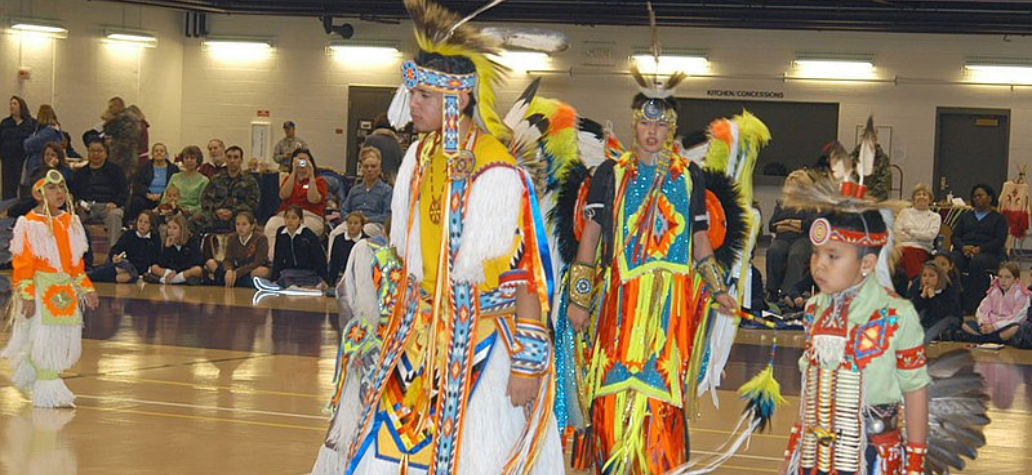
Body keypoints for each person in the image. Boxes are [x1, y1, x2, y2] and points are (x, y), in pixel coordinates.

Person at [309, 2, 562, 473]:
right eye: (413, 93)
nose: (413, 104)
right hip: (419, 339)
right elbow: (410, 258)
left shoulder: (495, 171)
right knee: (388, 453)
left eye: (424, 94)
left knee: (477, 457)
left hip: (483, 343)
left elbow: (528, 271)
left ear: (458, 98)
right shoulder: (419, 158)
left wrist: (528, 363)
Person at [565, 66, 737, 474]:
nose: (652, 132)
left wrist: (716, 289)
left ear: (672, 128)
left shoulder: (689, 177)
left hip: (668, 314)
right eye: (645, 122)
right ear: (634, 124)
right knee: (610, 392)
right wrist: (580, 300)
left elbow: (698, 243)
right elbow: (589, 239)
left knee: (660, 401)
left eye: (661, 125)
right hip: (619, 309)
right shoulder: (609, 174)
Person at [779, 177, 929, 475]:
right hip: (815, 454)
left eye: (833, 256)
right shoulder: (814, 309)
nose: (819, 265)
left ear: (867, 263)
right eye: (816, 253)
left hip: (871, 456)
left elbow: (915, 390)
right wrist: (794, 450)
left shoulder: (897, 314)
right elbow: (810, 390)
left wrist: (915, 461)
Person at [0, 169, 100, 408]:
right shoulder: (28, 224)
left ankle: (28, 373)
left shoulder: (70, 221)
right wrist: (26, 296)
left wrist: (87, 289)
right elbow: (23, 264)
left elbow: (76, 263)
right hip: (39, 288)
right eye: (52, 188)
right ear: (38, 193)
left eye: (62, 187)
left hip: (64, 291)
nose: (59, 193)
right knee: (45, 339)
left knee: (58, 338)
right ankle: (48, 391)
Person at [950, 183, 1008, 313]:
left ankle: (973, 305)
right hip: (965, 250)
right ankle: (955, 302)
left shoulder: (999, 218)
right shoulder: (965, 216)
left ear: (990, 197)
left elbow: (999, 241)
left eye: (980, 195)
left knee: (977, 263)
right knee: (952, 260)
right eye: (975, 196)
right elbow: (955, 237)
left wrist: (980, 249)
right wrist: (963, 247)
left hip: (990, 253)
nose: (977, 198)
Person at [263, 148, 327, 258]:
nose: (301, 164)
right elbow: (283, 195)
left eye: (304, 161)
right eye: (298, 160)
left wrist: (311, 176)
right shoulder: (288, 179)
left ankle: (299, 261)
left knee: (300, 229)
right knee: (271, 225)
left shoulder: (319, 181)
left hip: (309, 216)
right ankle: (273, 259)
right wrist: (293, 172)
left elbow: (313, 199)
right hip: (286, 215)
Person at [766, 169, 817, 301]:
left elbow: (809, 224)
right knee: (774, 251)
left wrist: (786, 222)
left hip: (803, 238)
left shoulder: (811, 204)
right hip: (783, 238)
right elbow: (772, 225)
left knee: (796, 255)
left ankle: (788, 293)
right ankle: (772, 291)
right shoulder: (781, 204)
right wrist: (796, 224)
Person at [70, 137, 128, 244]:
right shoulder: (81, 173)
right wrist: (77, 202)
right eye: (92, 151)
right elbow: (74, 192)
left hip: (108, 207)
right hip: (86, 207)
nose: (95, 154)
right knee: (72, 217)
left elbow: (124, 191)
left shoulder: (116, 170)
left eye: (99, 151)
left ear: (106, 153)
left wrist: (116, 203)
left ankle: (113, 252)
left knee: (115, 215)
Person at [190, 145, 260, 235]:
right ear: (225, 159)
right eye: (229, 157)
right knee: (196, 219)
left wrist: (233, 211)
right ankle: (195, 248)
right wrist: (216, 210)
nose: (232, 160)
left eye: (236, 157)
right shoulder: (216, 179)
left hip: (237, 216)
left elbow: (253, 204)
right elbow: (205, 199)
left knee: (244, 222)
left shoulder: (250, 181)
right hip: (216, 215)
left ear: (241, 160)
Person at [962, 261, 1029, 344]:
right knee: (965, 325)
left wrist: (995, 326)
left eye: (1008, 277)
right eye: (1000, 277)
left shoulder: (1022, 295)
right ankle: (992, 339)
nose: (1003, 281)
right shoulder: (994, 291)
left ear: (1016, 280)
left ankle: (983, 339)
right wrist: (983, 323)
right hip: (989, 325)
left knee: (1014, 329)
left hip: (1004, 326)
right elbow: (982, 309)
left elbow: (1017, 317)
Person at [89, 210, 162, 283]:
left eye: (146, 222)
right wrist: (115, 256)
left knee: (126, 277)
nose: (142, 224)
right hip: (128, 264)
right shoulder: (129, 235)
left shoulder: (154, 239)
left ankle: (90, 276)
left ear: (151, 226)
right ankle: (90, 276)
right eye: (140, 221)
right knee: (122, 270)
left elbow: (156, 257)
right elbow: (116, 249)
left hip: (141, 270)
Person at [203, 211, 270, 287]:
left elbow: (257, 262)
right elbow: (228, 259)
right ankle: (231, 280)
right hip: (236, 267)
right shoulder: (232, 238)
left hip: (250, 269)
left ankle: (233, 281)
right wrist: (229, 270)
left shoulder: (261, 239)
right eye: (237, 224)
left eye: (244, 224)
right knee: (210, 263)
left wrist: (237, 273)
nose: (240, 228)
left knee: (262, 271)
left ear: (252, 226)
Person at [270, 205, 327, 288]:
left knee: (312, 282)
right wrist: (273, 279)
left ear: (300, 220)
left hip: (308, 271)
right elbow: (278, 257)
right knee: (284, 279)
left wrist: (324, 278)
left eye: (294, 218)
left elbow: (319, 257)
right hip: (289, 271)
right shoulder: (281, 233)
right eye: (287, 217)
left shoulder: (308, 235)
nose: (290, 221)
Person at [895, 184, 941, 279]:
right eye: (918, 194)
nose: (921, 197)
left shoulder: (935, 217)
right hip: (901, 248)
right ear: (913, 198)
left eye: (924, 194)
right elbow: (897, 233)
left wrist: (911, 232)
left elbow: (930, 236)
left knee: (908, 255)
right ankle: (915, 282)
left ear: (930, 199)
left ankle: (913, 282)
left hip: (922, 249)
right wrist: (919, 235)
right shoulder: (904, 212)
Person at [143, 213, 203, 285]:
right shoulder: (168, 241)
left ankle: (166, 280)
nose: (171, 231)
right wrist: (167, 248)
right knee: (154, 267)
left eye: (174, 228)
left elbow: (195, 261)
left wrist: (176, 271)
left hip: (185, 270)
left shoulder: (192, 240)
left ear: (182, 229)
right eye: (169, 227)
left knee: (197, 270)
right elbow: (162, 263)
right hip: (171, 271)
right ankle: (174, 280)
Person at [907, 260, 962, 338]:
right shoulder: (919, 292)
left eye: (931, 275)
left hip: (946, 320)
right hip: (927, 323)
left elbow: (942, 313)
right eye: (924, 275)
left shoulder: (949, 291)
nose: (927, 279)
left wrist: (933, 297)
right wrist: (922, 297)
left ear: (939, 277)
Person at [130, 143, 180, 225]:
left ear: (166, 154)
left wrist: (162, 195)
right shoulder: (145, 167)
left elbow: (175, 186)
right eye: (156, 151)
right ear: (152, 154)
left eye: (162, 151)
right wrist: (148, 195)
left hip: (165, 198)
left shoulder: (173, 169)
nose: (159, 153)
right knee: (137, 201)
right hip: (147, 197)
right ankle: (137, 224)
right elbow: (138, 184)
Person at [341, 146, 392, 225]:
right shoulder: (354, 190)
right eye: (366, 166)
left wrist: (368, 219)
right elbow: (344, 210)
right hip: (352, 223)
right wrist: (350, 218)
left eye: (373, 166)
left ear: (379, 169)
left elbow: (387, 215)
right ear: (361, 168)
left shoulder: (386, 191)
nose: (369, 169)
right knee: (335, 233)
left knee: (364, 233)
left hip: (374, 224)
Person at [22, 104, 63, 193]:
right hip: (39, 164)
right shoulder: (53, 131)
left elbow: (27, 144)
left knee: (37, 190)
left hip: (38, 164)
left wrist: (28, 140)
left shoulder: (48, 132)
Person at [1, 96, 36, 199]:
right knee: (8, 185)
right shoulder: (5, 123)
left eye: (15, 104)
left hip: (23, 159)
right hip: (8, 159)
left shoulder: (31, 123)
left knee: (23, 185)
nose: (12, 106)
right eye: (10, 104)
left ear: (21, 106)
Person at [101, 97, 142, 180]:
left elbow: (127, 141)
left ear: (118, 107)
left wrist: (109, 120)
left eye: (111, 107)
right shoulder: (120, 119)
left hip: (125, 158)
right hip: (118, 157)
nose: (109, 110)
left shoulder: (128, 120)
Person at [164, 146, 210, 218]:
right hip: (171, 210)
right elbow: (165, 197)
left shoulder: (204, 180)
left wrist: (189, 210)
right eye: (186, 158)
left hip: (191, 214)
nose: (189, 160)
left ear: (198, 161)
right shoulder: (175, 177)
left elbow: (203, 205)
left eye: (192, 158)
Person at [361, 113, 404, 183]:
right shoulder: (397, 145)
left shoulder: (370, 140)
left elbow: (363, 158)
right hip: (391, 182)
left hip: (372, 181)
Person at [327, 211, 368, 284]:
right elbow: (334, 263)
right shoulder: (338, 239)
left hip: (360, 279)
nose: (352, 226)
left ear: (362, 226)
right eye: (349, 223)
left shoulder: (366, 241)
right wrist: (331, 283)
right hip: (341, 277)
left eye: (356, 223)